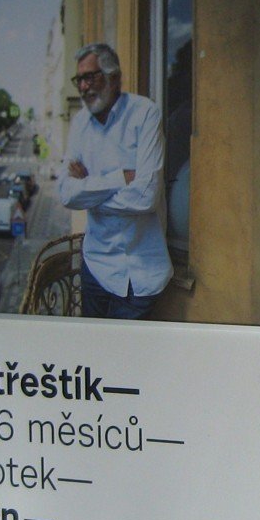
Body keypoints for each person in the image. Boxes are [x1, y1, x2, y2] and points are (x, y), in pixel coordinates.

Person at [59, 42, 172, 319]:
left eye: (90, 76)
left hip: (140, 273)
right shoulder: (79, 125)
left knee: (125, 358)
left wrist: (91, 193)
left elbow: (145, 197)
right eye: (79, 79)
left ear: (114, 77)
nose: (83, 87)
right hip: (95, 267)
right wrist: (121, 177)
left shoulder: (145, 114)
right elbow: (66, 193)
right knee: (93, 354)